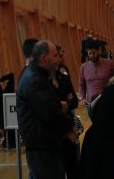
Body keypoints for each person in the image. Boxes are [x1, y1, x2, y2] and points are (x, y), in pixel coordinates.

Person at [17, 40, 75, 179]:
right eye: (55, 55)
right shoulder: (33, 80)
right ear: (44, 58)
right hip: (41, 147)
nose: (58, 59)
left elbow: (53, 104)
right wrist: (69, 127)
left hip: (47, 143)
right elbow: (50, 112)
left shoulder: (40, 76)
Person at [51, 55, 79, 179]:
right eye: (55, 56)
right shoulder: (43, 81)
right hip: (54, 133)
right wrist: (64, 102)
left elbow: (74, 101)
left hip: (68, 129)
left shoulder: (64, 78)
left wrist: (65, 105)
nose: (58, 59)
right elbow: (50, 107)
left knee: (73, 167)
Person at [78, 38, 114, 115]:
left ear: (98, 51)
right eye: (89, 53)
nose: (92, 56)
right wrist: (82, 98)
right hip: (91, 105)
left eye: (94, 53)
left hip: (108, 102)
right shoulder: (84, 67)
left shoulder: (110, 64)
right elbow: (81, 84)